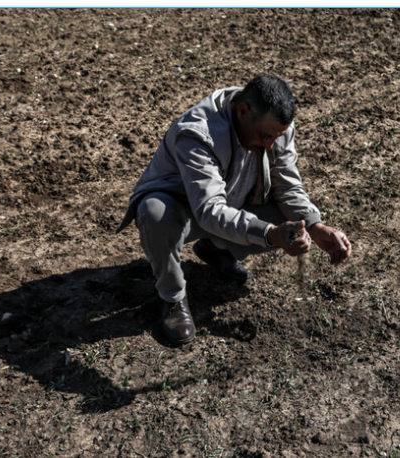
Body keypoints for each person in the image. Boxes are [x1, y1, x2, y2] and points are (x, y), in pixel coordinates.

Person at [117, 74, 352, 345]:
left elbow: (287, 187)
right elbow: (209, 209)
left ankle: (216, 249)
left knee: (293, 224)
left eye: (277, 137)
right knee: (155, 213)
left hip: (231, 201)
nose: (270, 145)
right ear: (242, 111)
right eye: (266, 136)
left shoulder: (272, 125)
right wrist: (268, 232)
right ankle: (173, 298)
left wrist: (314, 225)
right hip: (186, 209)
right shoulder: (196, 133)